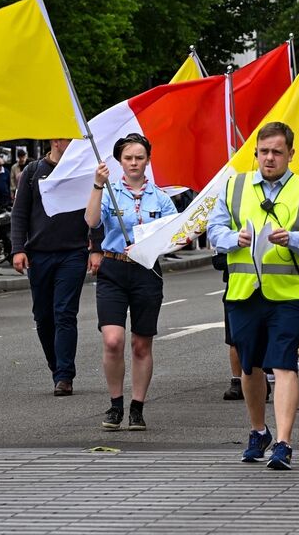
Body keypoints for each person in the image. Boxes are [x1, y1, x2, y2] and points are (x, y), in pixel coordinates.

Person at [206, 122, 299, 470]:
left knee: (285, 363)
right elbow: (214, 230)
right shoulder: (235, 186)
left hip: (288, 292)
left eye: (277, 152)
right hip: (244, 291)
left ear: (291, 154)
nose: (270, 158)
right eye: (264, 152)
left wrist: (293, 239)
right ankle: (259, 431)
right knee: (250, 365)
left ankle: (284, 442)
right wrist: (234, 240)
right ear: (256, 153)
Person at [85, 133, 178, 432]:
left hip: (146, 271)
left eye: (139, 157)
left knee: (141, 344)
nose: (134, 163)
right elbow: (91, 221)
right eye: (128, 158)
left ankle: (137, 407)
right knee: (113, 341)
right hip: (114, 269)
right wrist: (98, 185)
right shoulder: (110, 192)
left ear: (148, 160)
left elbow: (175, 236)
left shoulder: (160, 198)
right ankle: (115, 405)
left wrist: (148, 245)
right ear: (119, 161)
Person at [10, 138, 101, 396]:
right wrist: (18, 249)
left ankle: (64, 375)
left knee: (64, 312)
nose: (71, 142)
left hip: (72, 254)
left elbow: (97, 207)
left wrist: (96, 248)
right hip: (39, 255)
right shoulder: (32, 172)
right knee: (43, 316)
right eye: (66, 137)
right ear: (55, 140)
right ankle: (55, 364)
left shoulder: (83, 171)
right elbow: (20, 213)